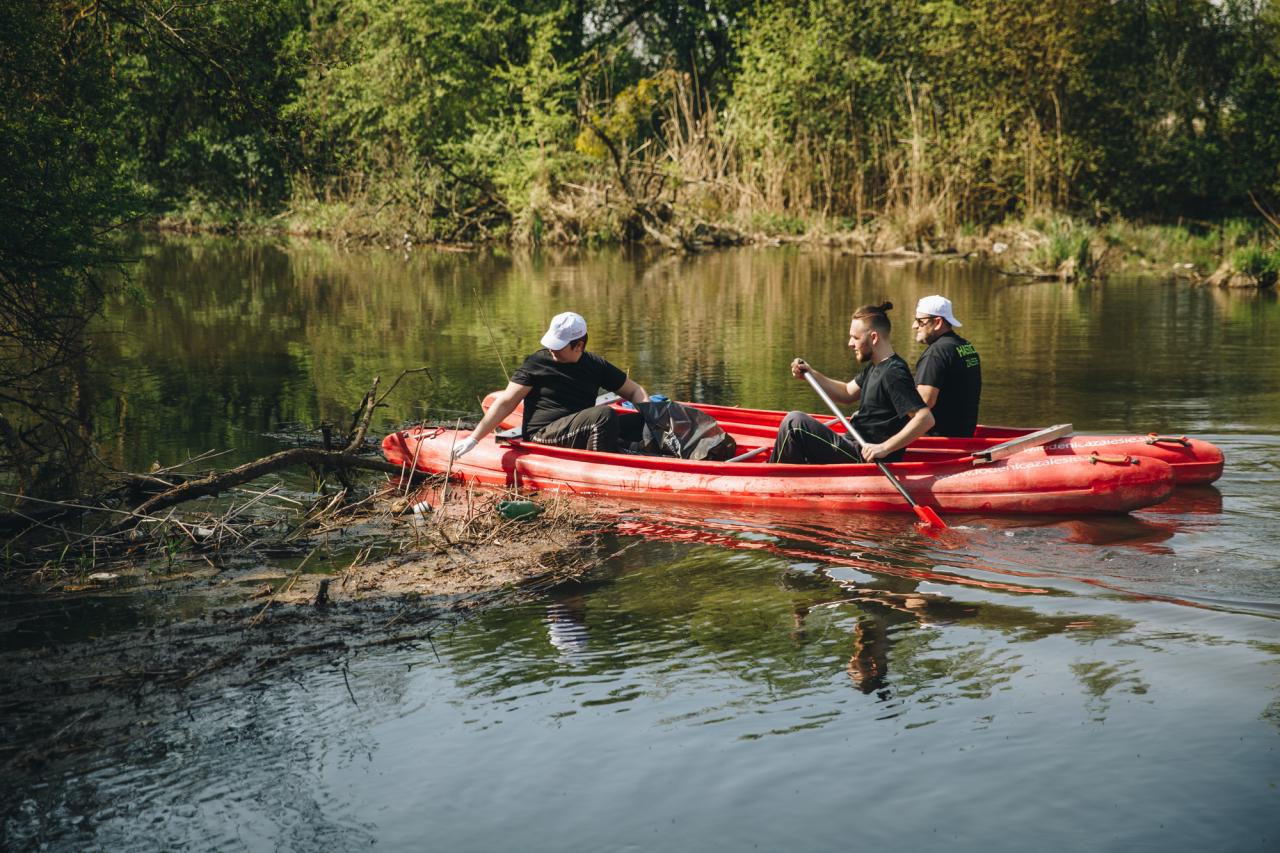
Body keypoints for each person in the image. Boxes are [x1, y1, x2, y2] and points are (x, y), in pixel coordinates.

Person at [451, 311, 648, 458]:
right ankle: (604, 464)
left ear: (579, 345)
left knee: (639, 421)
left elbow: (634, 390)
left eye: (559, 345)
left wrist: (651, 416)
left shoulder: (595, 365)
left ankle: (635, 451)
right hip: (543, 434)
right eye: (551, 343)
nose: (552, 349)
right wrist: (474, 438)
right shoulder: (536, 363)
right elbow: (507, 402)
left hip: (579, 429)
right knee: (604, 416)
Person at [771, 302, 935, 464]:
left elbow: (925, 419)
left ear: (874, 337)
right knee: (795, 428)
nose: (850, 343)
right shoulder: (876, 365)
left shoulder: (893, 373)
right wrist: (811, 374)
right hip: (850, 444)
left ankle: (773, 475)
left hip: (864, 456)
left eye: (855, 338)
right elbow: (846, 393)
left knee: (794, 423)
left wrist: (884, 447)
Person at [911, 295, 982, 437]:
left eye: (920, 321)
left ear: (937, 322)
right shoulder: (966, 346)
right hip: (964, 434)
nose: (914, 326)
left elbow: (922, 405)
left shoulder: (936, 353)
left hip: (939, 438)